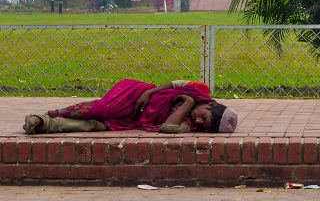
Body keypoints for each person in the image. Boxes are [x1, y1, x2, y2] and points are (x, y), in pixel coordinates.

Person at [22, 79, 237, 135]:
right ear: (211, 103)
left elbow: (167, 128)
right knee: (102, 109)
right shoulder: (199, 90)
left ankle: (41, 123)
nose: (198, 121)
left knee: (93, 125)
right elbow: (176, 83)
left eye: (203, 125)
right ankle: (49, 114)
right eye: (204, 117)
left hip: (133, 120)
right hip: (136, 95)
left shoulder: (188, 124)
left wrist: (188, 105)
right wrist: (149, 92)